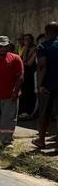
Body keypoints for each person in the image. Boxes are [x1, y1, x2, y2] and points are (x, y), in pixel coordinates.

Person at [34, 22, 58, 152]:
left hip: (48, 85)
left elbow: (42, 66)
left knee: (44, 113)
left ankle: (41, 140)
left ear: (46, 32)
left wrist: (39, 85)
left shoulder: (43, 46)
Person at [18, 33, 38, 119]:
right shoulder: (24, 48)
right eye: (25, 39)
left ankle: (29, 111)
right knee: (24, 93)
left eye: (28, 39)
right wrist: (25, 49)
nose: (26, 41)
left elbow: (28, 63)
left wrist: (26, 50)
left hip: (31, 74)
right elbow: (21, 60)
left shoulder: (35, 49)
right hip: (25, 73)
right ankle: (23, 111)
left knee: (29, 93)